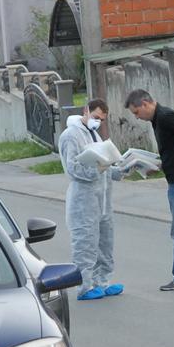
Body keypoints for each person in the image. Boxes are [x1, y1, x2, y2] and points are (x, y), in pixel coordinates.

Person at [124, 89, 174, 291]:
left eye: (136, 112)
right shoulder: (157, 120)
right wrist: (155, 166)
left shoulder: (165, 116)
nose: (137, 117)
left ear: (145, 104)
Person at [57, 99, 122, 301]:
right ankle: (84, 287)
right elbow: (74, 168)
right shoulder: (71, 136)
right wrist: (98, 169)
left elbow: (103, 164)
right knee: (85, 243)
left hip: (102, 199)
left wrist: (122, 169)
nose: (98, 122)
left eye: (102, 119)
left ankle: (103, 281)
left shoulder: (93, 134)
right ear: (85, 111)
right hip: (83, 200)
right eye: (95, 117)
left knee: (104, 242)